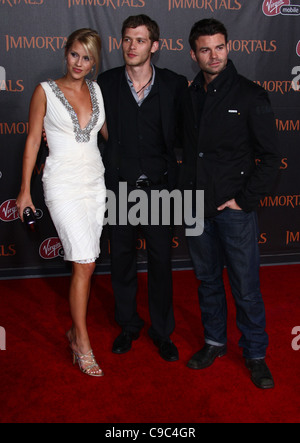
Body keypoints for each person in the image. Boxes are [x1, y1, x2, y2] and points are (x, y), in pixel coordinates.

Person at [181, 19, 280, 389]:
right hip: (195, 208)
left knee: (245, 286)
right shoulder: (189, 96)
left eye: (219, 47)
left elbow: (270, 158)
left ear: (228, 47)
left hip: (233, 211)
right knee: (207, 281)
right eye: (205, 49)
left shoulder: (250, 95)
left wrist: (243, 200)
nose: (213, 55)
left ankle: (255, 354)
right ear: (194, 54)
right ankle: (214, 343)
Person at [16, 29, 108, 377]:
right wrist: (24, 190)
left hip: (95, 183)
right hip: (62, 184)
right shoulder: (44, 91)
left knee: (88, 261)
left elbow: (110, 136)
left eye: (86, 57)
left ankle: (74, 330)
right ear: (65, 53)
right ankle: (81, 341)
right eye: (74, 54)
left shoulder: (98, 91)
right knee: (84, 260)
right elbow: (31, 142)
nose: (79, 63)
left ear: (94, 61)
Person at [98, 15, 187, 362]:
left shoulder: (174, 84)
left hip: (160, 189)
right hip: (119, 188)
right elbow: (82, 120)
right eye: (127, 39)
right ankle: (128, 325)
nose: (132, 46)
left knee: (161, 262)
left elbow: (191, 132)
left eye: (139, 39)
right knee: (121, 260)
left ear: (155, 45)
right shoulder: (105, 83)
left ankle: (162, 332)